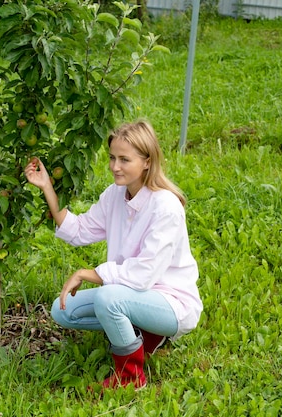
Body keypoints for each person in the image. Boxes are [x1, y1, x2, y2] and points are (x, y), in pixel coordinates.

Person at [24, 120, 202, 390]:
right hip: (131, 295)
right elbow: (80, 229)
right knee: (63, 311)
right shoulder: (116, 195)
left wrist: (87, 273)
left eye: (124, 159)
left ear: (146, 161)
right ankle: (145, 335)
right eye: (111, 158)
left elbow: (143, 275)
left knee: (109, 297)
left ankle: (131, 377)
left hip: (171, 303)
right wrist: (47, 187)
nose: (114, 166)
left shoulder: (165, 207)